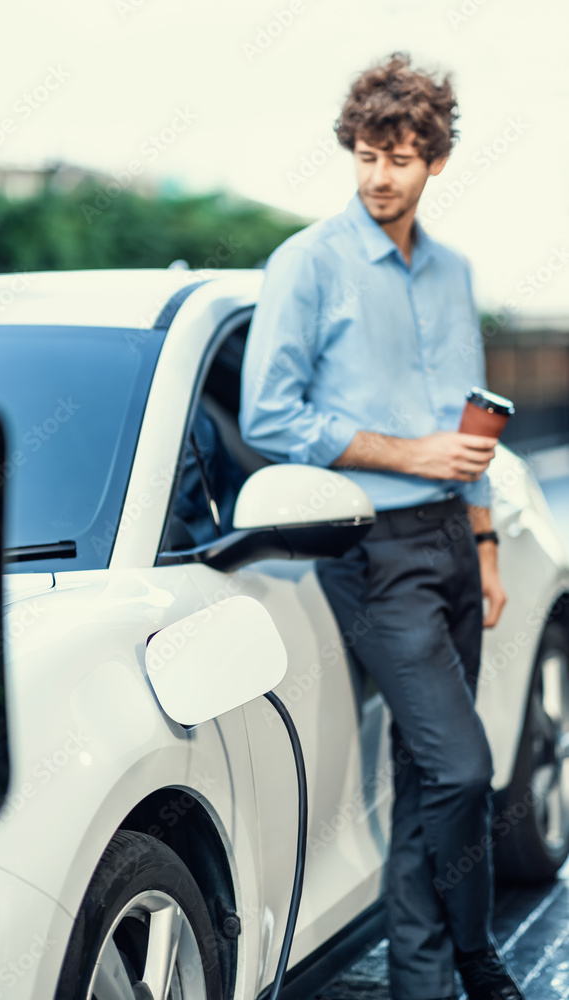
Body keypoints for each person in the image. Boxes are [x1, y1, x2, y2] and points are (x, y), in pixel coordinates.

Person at [238, 52, 525, 1000]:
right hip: (370, 550)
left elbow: (471, 422)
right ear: (350, 152)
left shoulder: (451, 274)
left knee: (424, 785)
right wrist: (410, 455)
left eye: (400, 157)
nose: (379, 176)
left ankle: (421, 983)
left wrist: (482, 544)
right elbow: (269, 417)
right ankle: (478, 957)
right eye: (366, 154)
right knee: (463, 769)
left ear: (434, 162)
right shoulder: (306, 263)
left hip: (450, 542)